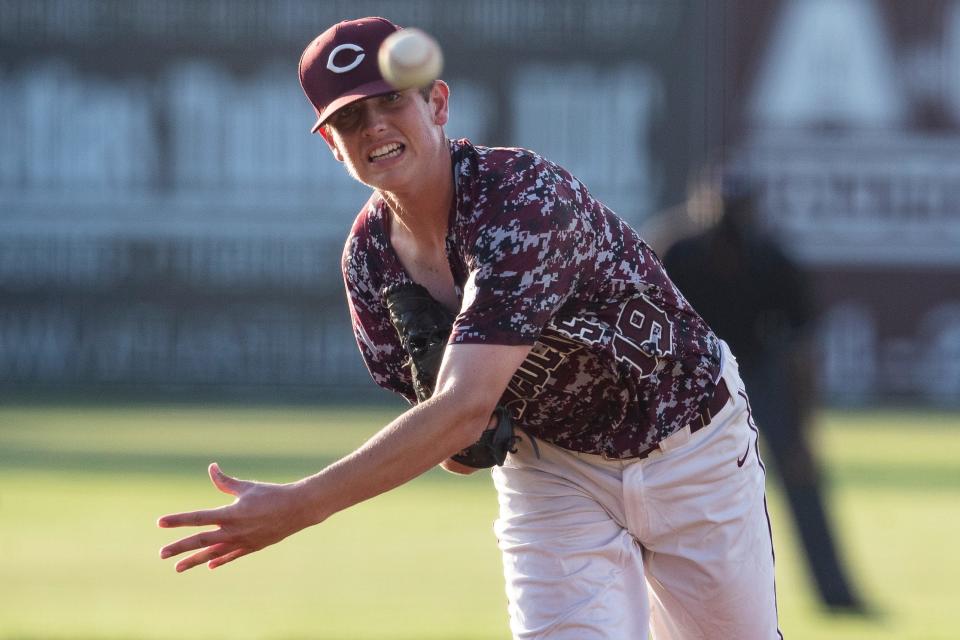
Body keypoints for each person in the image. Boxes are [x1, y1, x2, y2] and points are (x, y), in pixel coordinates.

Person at [158, 17, 782, 639]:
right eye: (349, 118)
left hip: (689, 440)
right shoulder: (370, 263)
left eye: (390, 100)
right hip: (554, 469)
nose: (373, 125)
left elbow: (461, 406)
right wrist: (467, 444)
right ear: (332, 145)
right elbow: (459, 443)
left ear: (438, 102)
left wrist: (300, 506)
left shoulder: (520, 198)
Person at [662, 171, 866, 614]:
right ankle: (688, 596)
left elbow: (802, 347)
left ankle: (836, 595)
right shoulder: (677, 251)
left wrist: (803, 429)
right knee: (677, 488)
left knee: (798, 477)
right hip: (699, 379)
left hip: (759, 374)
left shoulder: (770, 257)